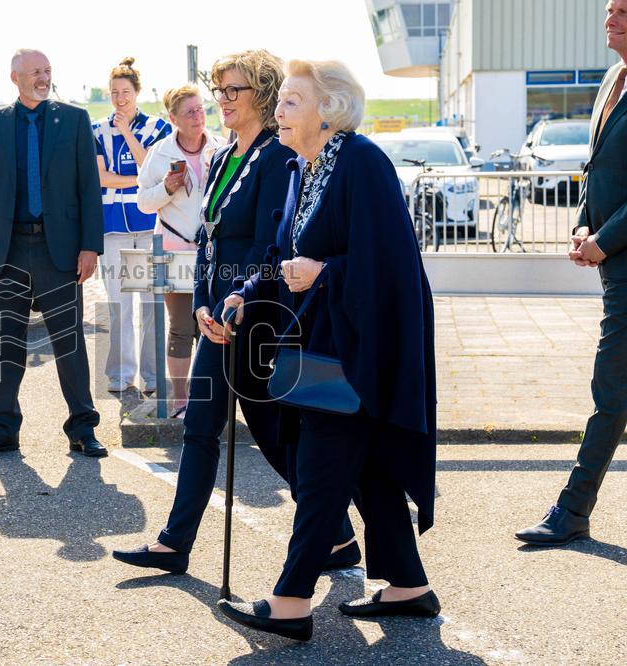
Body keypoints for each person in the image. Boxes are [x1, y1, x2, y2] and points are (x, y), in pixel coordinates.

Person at [217, 60, 439, 641]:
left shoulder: (362, 164)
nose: (278, 111)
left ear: (328, 109)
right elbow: (280, 249)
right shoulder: (302, 169)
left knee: (321, 467)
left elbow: (391, 267)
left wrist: (322, 273)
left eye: (291, 101)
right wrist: (246, 292)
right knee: (363, 468)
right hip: (322, 342)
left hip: (359, 346)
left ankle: (291, 599)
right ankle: (408, 585)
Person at [113, 50, 356, 576]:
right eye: (218, 90)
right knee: (199, 427)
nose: (220, 100)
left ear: (262, 96)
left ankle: (337, 532)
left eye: (232, 91)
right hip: (216, 315)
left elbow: (272, 244)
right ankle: (174, 543)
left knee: (274, 436)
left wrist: (235, 303)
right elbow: (210, 240)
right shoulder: (223, 158)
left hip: (259, 316)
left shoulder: (278, 157)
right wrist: (202, 302)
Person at [517, 0, 627, 547]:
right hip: (614, 261)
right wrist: (585, 226)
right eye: (610, 9)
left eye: (624, 11)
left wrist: (605, 242)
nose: (611, 18)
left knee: (611, 389)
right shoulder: (613, 78)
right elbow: (599, 163)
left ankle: (573, 508)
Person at [0, 49, 107, 458]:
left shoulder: (75, 120)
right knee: (5, 343)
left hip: (59, 249)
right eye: (35, 73)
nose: (43, 79)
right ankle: (2, 430)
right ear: (15, 78)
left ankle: (83, 429)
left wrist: (89, 247)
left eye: (47, 71)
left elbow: (88, 189)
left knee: (70, 343)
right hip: (8, 251)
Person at [137, 85, 225, 417]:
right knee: (180, 327)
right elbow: (143, 202)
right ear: (173, 118)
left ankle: (208, 397)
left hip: (210, 253)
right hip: (172, 249)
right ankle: (180, 397)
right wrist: (167, 188)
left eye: (201, 109)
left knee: (210, 324)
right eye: (190, 112)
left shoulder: (219, 147)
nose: (198, 116)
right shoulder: (159, 153)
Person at [93, 58, 171, 394]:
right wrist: (138, 181)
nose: (120, 98)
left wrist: (126, 132)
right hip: (113, 227)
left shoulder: (158, 129)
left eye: (125, 92)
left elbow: (153, 169)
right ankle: (120, 374)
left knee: (153, 306)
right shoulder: (96, 130)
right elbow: (101, 177)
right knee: (118, 306)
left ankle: (154, 377)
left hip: (152, 226)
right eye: (114, 92)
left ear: (137, 92)